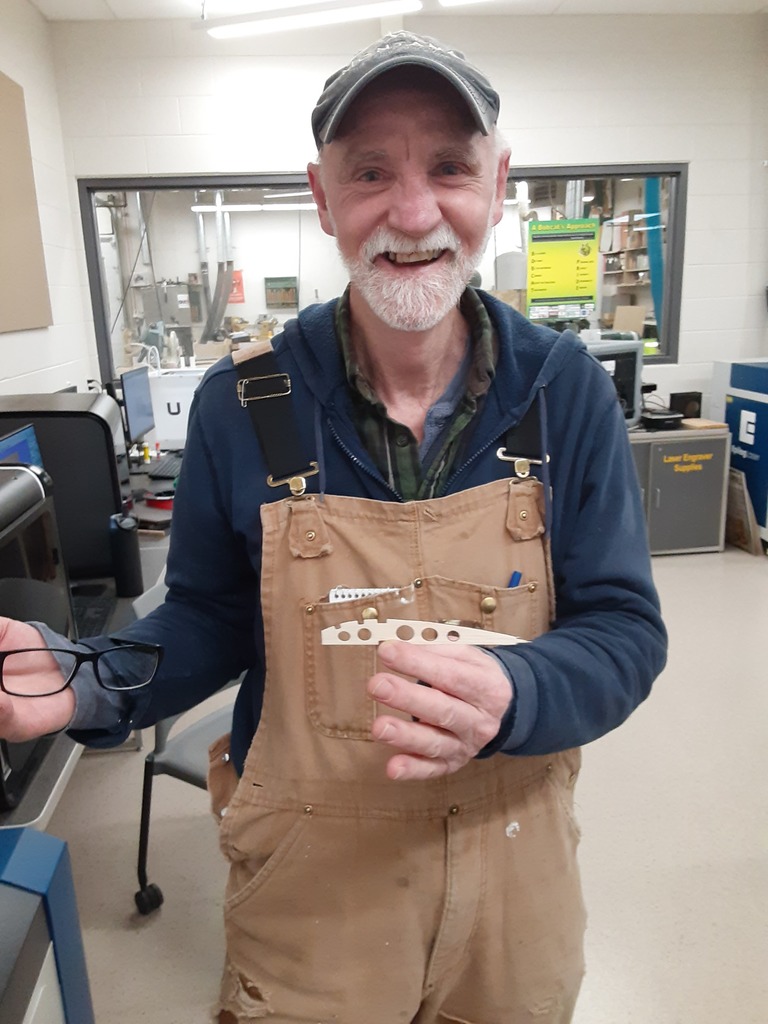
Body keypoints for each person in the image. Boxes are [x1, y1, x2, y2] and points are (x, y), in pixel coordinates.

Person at [0, 31, 667, 1024]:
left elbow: (624, 630)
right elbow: (211, 620)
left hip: (514, 874)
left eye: (448, 166)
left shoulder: (559, 389)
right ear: (321, 196)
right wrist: (84, 680)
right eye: (370, 172)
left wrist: (519, 688)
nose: (412, 212)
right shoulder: (247, 403)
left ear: (497, 181)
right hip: (314, 888)